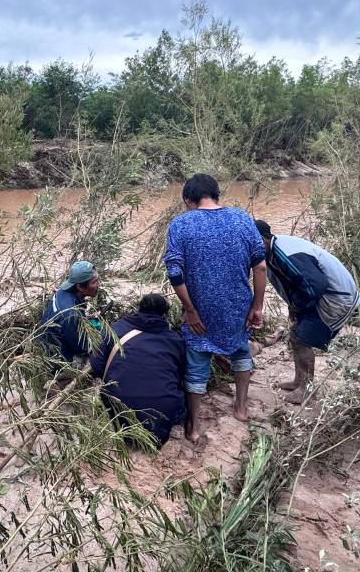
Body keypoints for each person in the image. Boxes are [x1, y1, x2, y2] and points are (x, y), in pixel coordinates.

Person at [163, 174, 267, 442]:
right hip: (238, 307)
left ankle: (194, 425)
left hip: (202, 310)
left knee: (197, 363)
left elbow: (175, 272)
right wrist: (257, 306)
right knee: (241, 351)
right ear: (216, 194)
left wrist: (189, 309)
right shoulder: (242, 219)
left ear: (188, 199)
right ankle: (241, 406)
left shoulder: (181, 224)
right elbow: (260, 266)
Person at [254, 220, 360, 404]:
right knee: (297, 335)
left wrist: (298, 307)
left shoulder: (284, 253)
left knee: (300, 338)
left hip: (336, 297)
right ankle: (299, 381)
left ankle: (306, 390)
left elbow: (315, 285)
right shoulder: (275, 248)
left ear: (262, 240)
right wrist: (293, 307)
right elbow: (295, 283)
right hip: (329, 293)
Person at [90, 293, 187, 445]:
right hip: (161, 425)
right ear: (164, 315)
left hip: (119, 417)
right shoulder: (176, 340)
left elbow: (96, 365)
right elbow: (181, 377)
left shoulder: (115, 329)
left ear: (139, 309)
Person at [39, 260, 100, 365]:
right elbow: (82, 348)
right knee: (100, 356)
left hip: (45, 343)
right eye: (94, 282)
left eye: (98, 280)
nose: (98, 285)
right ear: (80, 287)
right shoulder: (71, 314)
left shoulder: (62, 292)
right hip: (56, 359)